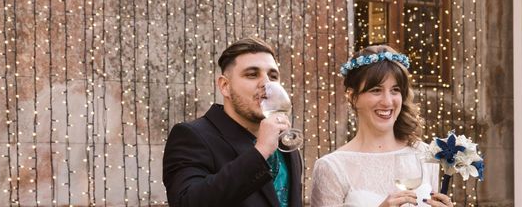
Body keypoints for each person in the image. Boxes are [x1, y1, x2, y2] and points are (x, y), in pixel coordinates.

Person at [163, 36, 303, 207]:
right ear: (225, 86)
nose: (266, 84)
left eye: (273, 76)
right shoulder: (192, 136)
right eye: (252, 74)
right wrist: (260, 152)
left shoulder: (286, 144)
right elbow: (186, 202)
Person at [310, 45, 453, 207]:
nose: (387, 102)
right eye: (376, 90)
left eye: (395, 90)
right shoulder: (331, 168)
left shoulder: (425, 155)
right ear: (352, 96)